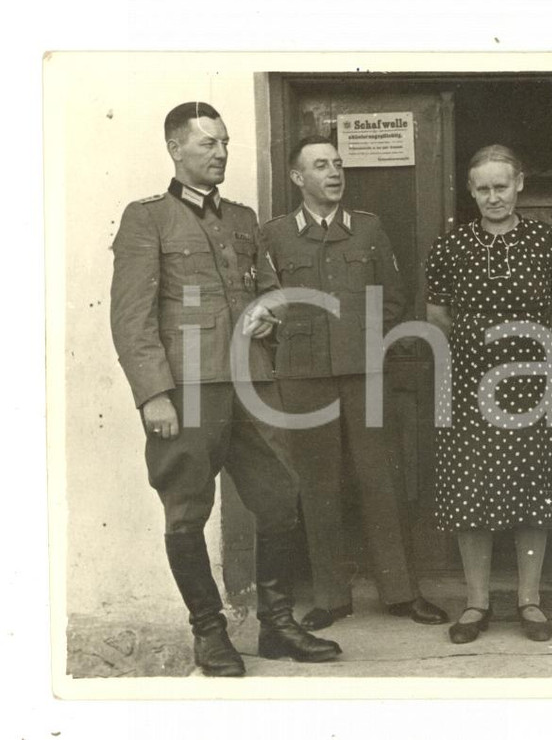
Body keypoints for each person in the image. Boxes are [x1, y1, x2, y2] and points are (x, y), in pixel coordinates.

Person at [109, 103, 343, 677]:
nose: (220, 153)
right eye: (208, 144)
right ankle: (209, 633)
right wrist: (153, 395)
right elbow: (131, 318)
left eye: (226, 143)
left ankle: (277, 625)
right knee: (187, 510)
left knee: (280, 497)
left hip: (253, 384)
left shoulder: (242, 219)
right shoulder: (148, 219)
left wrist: (273, 313)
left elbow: (274, 290)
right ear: (175, 149)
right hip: (187, 391)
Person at [261, 136, 448, 631]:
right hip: (303, 378)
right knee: (318, 486)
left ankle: (402, 592)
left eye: (338, 164)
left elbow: (394, 296)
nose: (334, 172)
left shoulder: (367, 229)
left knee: (383, 480)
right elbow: (265, 303)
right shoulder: (275, 236)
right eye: (321, 165)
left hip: (366, 374)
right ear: (299, 178)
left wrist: (372, 347)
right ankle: (330, 596)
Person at [425, 145, 552, 643]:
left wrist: (523, 344)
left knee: (533, 483)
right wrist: (481, 346)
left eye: (502, 186)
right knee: (472, 486)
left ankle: (529, 600)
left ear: (519, 185)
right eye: (483, 188)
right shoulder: (450, 246)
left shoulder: (549, 242)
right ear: (471, 191)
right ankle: (476, 603)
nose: (493, 196)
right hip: (469, 380)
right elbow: (437, 315)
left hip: (535, 377)